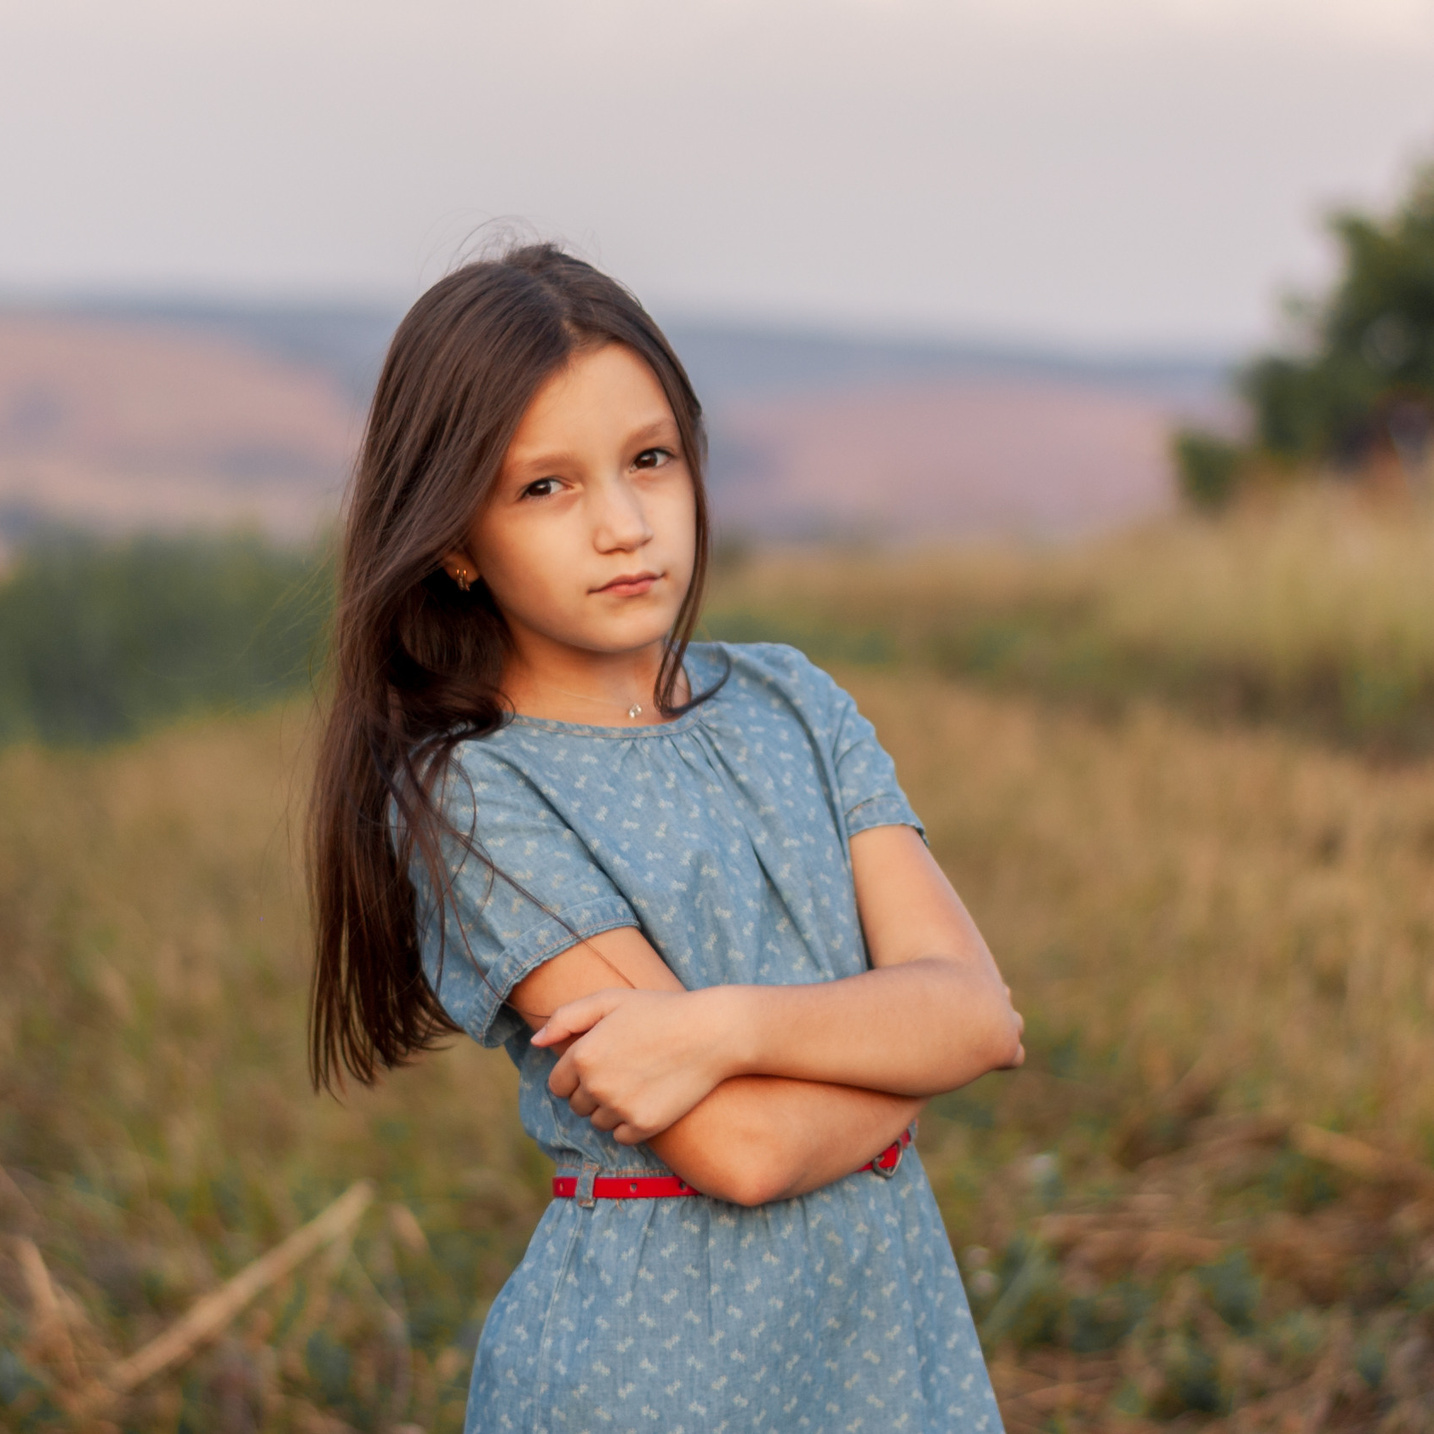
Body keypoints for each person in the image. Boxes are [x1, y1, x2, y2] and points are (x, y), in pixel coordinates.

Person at [309, 242, 1025, 1432]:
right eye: (546, 487)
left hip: (883, 1338)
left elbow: (981, 1019)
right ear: (452, 539)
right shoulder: (475, 796)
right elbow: (741, 1148)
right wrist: (904, 1049)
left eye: (650, 460)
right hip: (651, 1373)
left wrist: (721, 1025)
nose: (624, 523)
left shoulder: (794, 701)